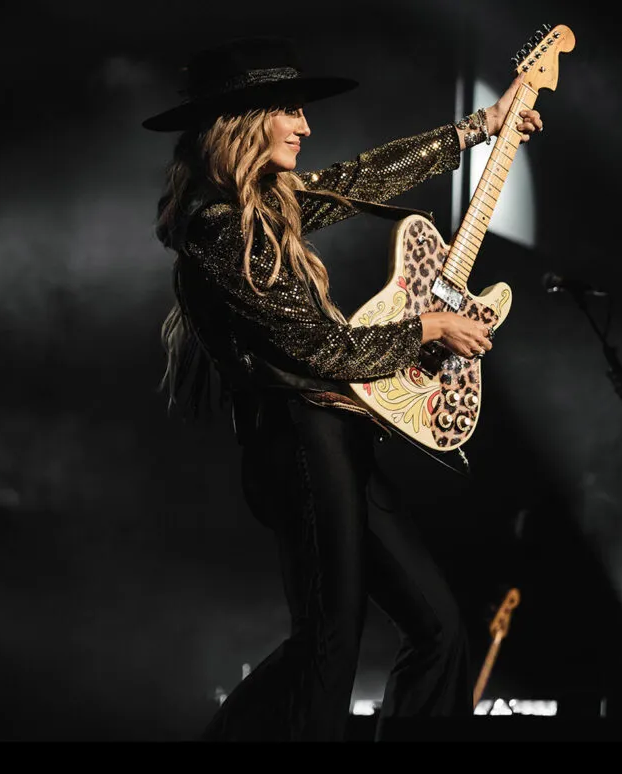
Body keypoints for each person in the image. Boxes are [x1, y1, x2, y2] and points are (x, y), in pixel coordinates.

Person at [143, 36, 544, 741]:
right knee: (329, 640)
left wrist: (480, 127)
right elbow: (322, 347)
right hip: (297, 441)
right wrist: (427, 329)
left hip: (338, 436)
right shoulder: (216, 231)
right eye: (290, 111)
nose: (305, 125)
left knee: (440, 627)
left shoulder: (272, 204)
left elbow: (360, 180)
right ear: (244, 121)